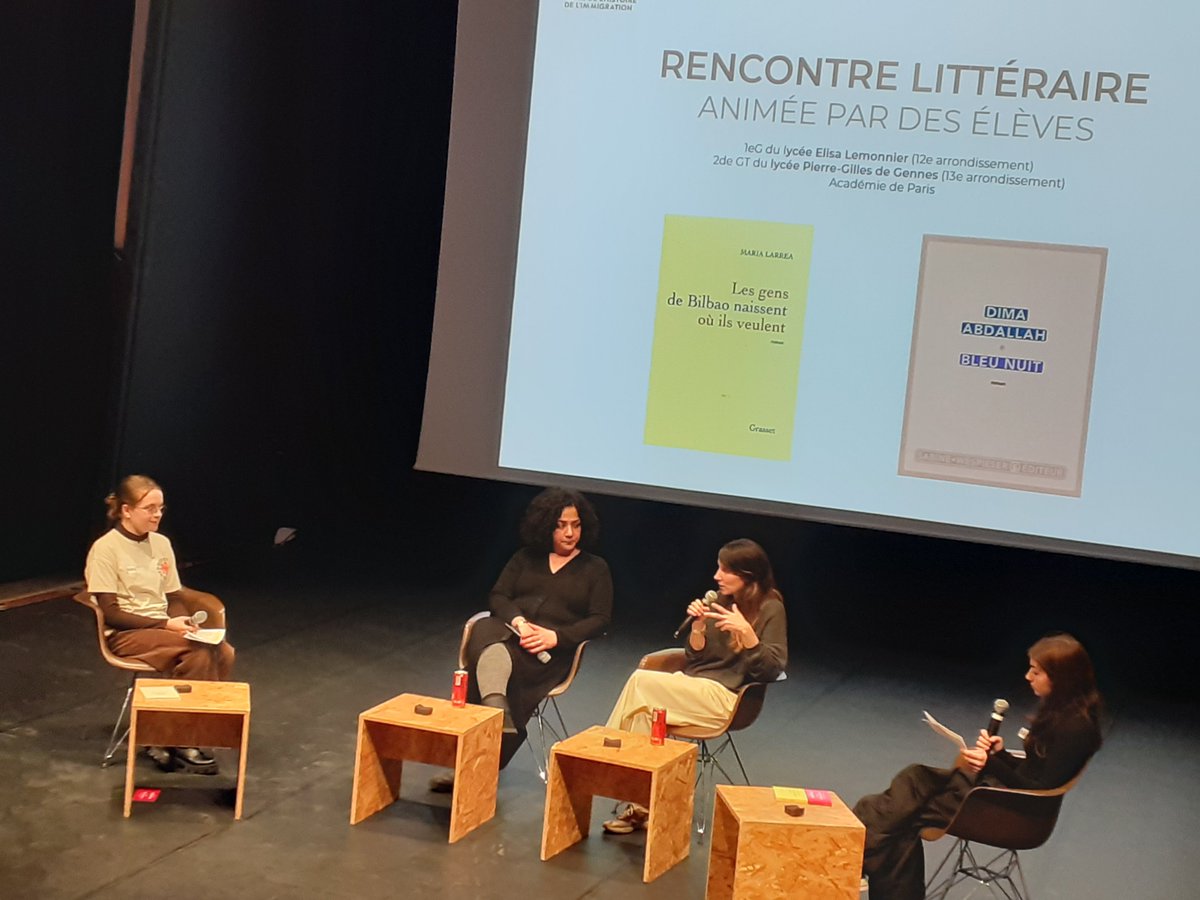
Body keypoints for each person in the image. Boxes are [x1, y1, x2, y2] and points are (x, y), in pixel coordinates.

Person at [853, 633, 1104, 900]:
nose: (1028, 677)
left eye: (1036, 671)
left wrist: (992, 763)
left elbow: (1039, 789)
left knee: (895, 807)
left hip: (1011, 810)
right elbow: (1034, 769)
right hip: (1001, 793)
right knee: (906, 796)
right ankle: (861, 858)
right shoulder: (1061, 712)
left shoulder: (1076, 728)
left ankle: (857, 857)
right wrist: (1001, 754)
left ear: (1061, 677)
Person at [431, 487, 613, 791]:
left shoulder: (596, 569)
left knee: (497, 658)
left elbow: (600, 620)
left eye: (576, 525)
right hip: (511, 634)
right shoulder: (525, 558)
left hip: (548, 655)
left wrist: (556, 637)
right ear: (546, 525)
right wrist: (519, 621)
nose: (570, 533)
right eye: (561, 525)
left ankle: (476, 753)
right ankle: (496, 711)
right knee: (487, 630)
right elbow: (499, 595)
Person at [602, 538, 787, 833]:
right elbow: (694, 656)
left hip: (727, 698)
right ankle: (640, 804)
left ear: (747, 575)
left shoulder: (770, 607)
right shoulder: (720, 600)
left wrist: (748, 636)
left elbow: (773, 668)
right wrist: (699, 628)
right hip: (694, 688)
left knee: (641, 682)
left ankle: (606, 761)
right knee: (643, 712)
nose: (716, 576)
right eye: (718, 568)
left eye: (725, 570)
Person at [84, 474, 235, 774]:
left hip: (163, 627)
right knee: (199, 654)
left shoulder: (162, 543)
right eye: (149, 508)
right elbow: (111, 613)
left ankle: (164, 735)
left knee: (223, 651)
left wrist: (183, 619)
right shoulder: (106, 549)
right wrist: (166, 624)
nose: (157, 515)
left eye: (161, 509)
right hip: (128, 632)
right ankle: (183, 740)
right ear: (126, 510)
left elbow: (172, 594)